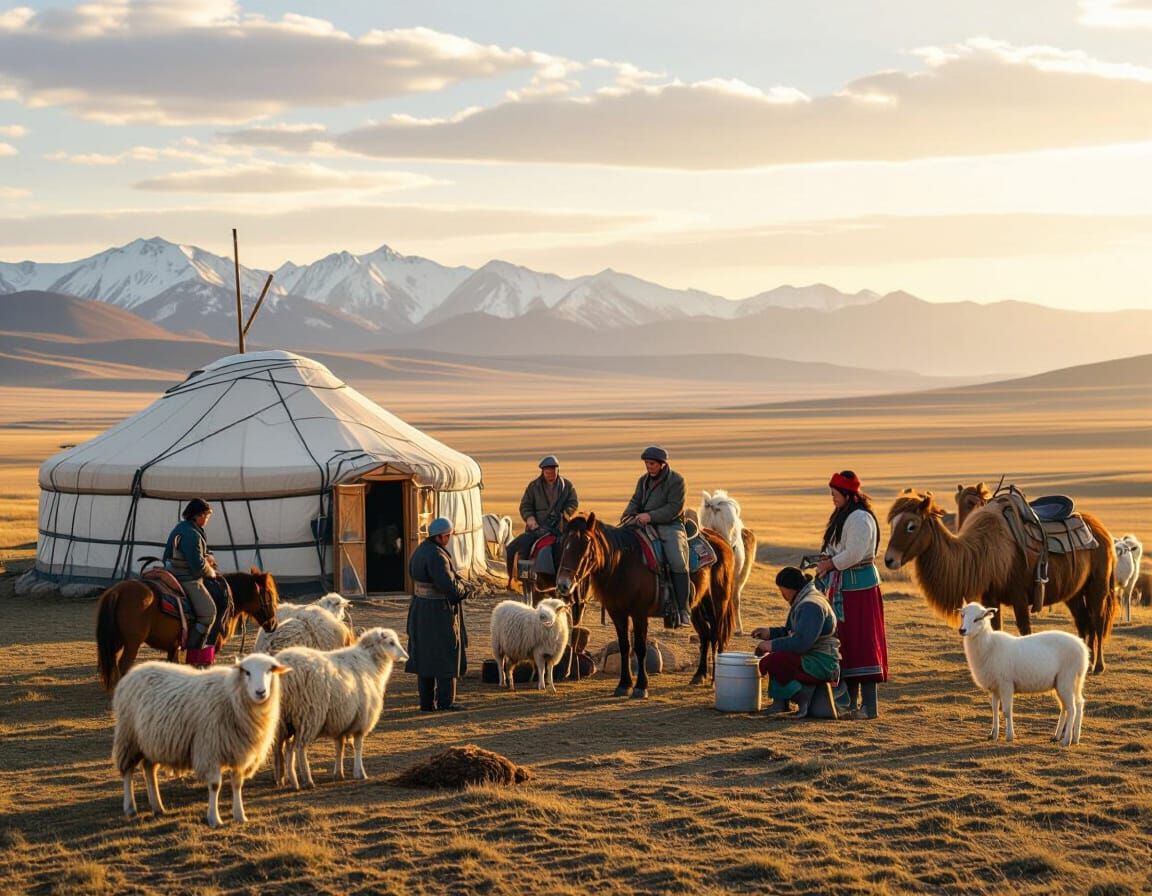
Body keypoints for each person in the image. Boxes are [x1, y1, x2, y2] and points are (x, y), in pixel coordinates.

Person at [813, 470, 889, 720]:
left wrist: (829, 564)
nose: (832, 498)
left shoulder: (859, 519)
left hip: (859, 590)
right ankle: (852, 704)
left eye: (835, 494)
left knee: (862, 644)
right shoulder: (847, 515)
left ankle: (869, 707)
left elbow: (854, 554)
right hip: (847, 588)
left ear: (847, 494)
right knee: (848, 645)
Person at [752, 567, 841, 716]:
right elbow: (791, 631)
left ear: (789, 588)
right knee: (777, 657)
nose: (782, 594)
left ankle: (802, 698)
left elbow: (801, 643)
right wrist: (770, 633)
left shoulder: (810, 605)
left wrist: (771, 645)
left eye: (782, 590)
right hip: (814, 658)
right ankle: (781, 704)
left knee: (775, 661)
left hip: (821, 662)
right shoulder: (805, 599)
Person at [406, 517, 473, 711]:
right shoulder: (437, 556)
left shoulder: (420, 550)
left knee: (425, 655)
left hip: (420, 608)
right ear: (442, 536)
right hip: (437, 612)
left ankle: (426, 703)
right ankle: (446, 702)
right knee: (445, 652)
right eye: (448, 536)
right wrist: (466, 590)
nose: (449, 539)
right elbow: (449, 587)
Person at [622, 446, 691, 627]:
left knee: (677, 559)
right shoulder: (643, 481)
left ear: (662, 464)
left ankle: (683, 608)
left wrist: (650, 516)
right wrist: (628, 515)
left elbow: (674, 507)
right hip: (644, 523)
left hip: (670, 525)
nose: (648, 467)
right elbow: (636, 500)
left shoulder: (676, 481)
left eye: (652, 464)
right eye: (646, 463)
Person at [163, 498, 220, 661]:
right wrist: (212, 572)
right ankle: (192, 653)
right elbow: (197, 567)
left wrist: (207, 556)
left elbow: (167, 555)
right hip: (186, 578)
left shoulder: (181, 527)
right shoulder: (192, 534)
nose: (207, 520)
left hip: (170, 572)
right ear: (199, 515)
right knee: (209, 613)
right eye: (207, 516)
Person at [505, 455, 579, 574]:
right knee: (522, 548)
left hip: (559, 528)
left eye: (553, 473)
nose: (550, 476)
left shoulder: (567, 487)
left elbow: (573, 502)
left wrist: (565, 514)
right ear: (543, 472)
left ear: (557, 470)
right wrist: (530, 518)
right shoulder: (533, 487)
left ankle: (571, 577)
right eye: (547, 473)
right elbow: (525, 505)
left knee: (573, 549)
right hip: (537, 528)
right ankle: (525, 576)